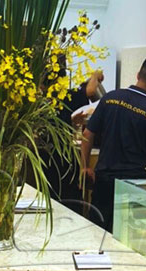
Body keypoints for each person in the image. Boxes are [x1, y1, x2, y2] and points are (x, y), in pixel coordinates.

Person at [80, 55, 146, 231]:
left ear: (138, 75)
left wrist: (84, 166)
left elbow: (87, 134)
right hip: (132, 186)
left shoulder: (110, 98)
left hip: (103, 181)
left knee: (97, 231)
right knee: (125, 235)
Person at [37, 70, 104, 214]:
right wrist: (96, 75)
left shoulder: (38, 101)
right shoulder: (64, 97)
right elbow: (91, 90)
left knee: (51, 198)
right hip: (63, 160)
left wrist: (72, 121)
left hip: (44, 158)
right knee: (70, 202)